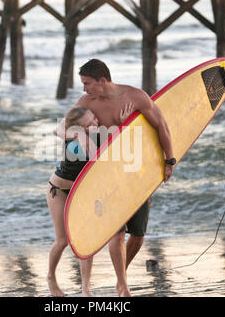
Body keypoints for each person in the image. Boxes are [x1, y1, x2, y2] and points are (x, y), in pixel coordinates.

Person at [56, 59, 176, 297]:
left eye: (87, 83)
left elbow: (161, 125)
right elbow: (64, 129)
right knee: (117, 232)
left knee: (138, 235)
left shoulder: (135, 97)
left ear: (102, 80)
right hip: (104, 175)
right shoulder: (86, 103)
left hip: (134, 172)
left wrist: (169, 159)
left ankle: (121, 274)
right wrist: (78, 139)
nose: (84, 89)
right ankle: (122, 285)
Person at [47, 105, 134, 297]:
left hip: (83, 192)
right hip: (59, 191)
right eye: (89, 123)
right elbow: (104, 159)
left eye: (94, 118)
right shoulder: (78, 144)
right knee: (62, 241)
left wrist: (122, 123)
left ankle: (85, 290)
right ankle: (51, 278)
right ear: (79, 128)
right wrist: (121, 127)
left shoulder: (88, 136)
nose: (96, 122)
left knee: (87, 239)